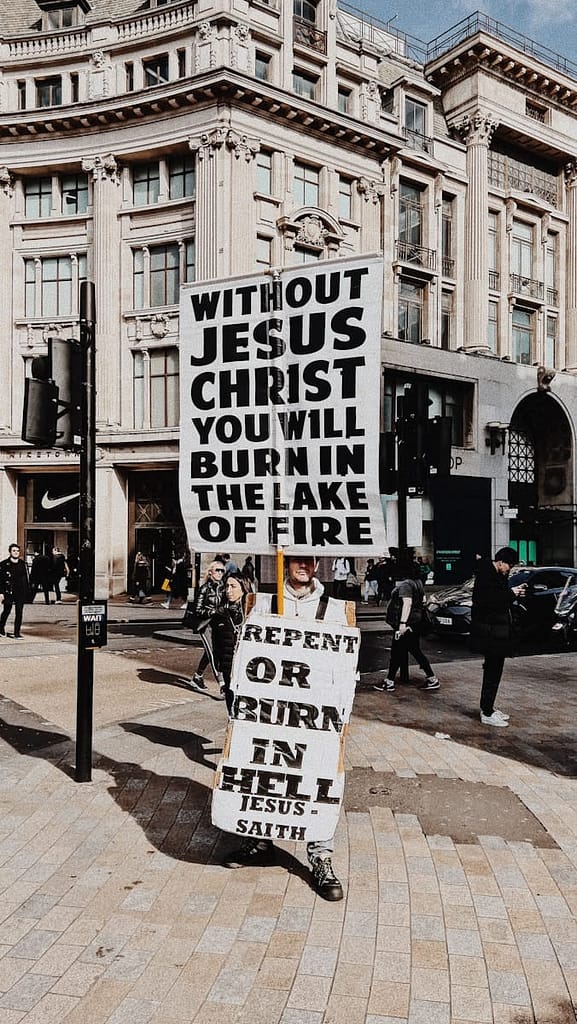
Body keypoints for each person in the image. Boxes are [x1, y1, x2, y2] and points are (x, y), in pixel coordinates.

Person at [222, 554, 352, 901]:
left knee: (318, 782)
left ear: (317, 563)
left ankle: (321, 857)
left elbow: (344, 668)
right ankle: (260, 840)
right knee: (263, 771)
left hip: (315, 719)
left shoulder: (334, 608)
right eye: (295, 560)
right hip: (270, 714)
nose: (303, 566)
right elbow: (244, 654)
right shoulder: (263, 603)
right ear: (285, 562)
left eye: (309, 560)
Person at [471, 546, 526, 728]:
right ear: (500, 562)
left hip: (496, 632)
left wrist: (512, 592)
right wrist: (511, 593)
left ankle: (489, 708)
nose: (509, 569)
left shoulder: (497, 575)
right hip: (490, 633)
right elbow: (488, 601)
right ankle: (486, 712)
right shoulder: (486, 576)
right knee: (493, 671)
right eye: (509, 565)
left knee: (495, 670)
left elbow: (498, 598)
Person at [375, 561, 440, 693]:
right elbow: (422, 601)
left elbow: (407, 604)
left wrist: (402, 624)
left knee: (397, 652)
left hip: (406, 624)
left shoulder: (406, 584)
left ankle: (389, 682)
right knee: (414, 650)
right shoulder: (418, 583)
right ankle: (432, 678)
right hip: (415, 623)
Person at [202, 571, 250, 709]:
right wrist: (220, 670)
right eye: (227, 586)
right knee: (231, 707)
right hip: (229, 667)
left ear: (243, 587)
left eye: (233, 586)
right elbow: (216, 644)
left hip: (247, 667)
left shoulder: (252, 612)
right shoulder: (221, 613)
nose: (229, 591)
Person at [187, 560, 226, 692]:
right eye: (217, 570)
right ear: (210, 572)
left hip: (219, 625)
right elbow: (198, 610)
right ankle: (222, 685)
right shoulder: (204, 589)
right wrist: (213, 611)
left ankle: (197, 677)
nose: (220, 573)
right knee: (213, 654)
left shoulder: (224, 587)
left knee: (210, 652)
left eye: (222, 571)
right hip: (206, 625)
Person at [0, 544, 30, 639]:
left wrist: (27, 591)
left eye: (17, 550)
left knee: (19, 612)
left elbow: (26, 579)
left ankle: (17, 632)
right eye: (14, 550)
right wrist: (1, 593)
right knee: (6, 611)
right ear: (10, 552)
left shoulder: (23, 564)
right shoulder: (4, 564)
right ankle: (1, 629)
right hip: (8, 591)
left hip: (20, 592)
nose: (16, 552)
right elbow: (0, 580)